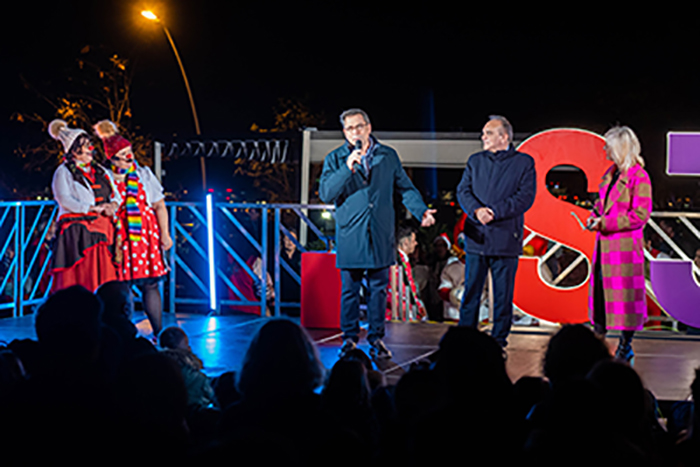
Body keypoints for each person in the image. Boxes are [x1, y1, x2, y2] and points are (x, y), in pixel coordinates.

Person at [319, 109, 436, 359]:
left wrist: (421, 212)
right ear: (344, 133)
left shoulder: (388, 155)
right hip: (351, 234)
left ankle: (376, 339)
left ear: (369, 127)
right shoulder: (336, 158)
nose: (355, 133)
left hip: (380, 233)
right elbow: (326, 193)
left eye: (359, 127)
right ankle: (349, 339)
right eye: (350, 129)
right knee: (350, 291)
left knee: (378, 290)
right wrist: (347, 168)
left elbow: (405, 187)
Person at [456, 115, 536, 348]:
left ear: (504, 136)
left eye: (488, 133)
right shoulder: (475, 161)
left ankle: (499, 340)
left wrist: (494, 211)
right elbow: (463, 191)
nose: (483, 137)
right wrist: (476, 210)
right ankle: (464, 338)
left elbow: (525, 197)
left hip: (504, 238)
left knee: (503, 295)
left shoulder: (524, 162)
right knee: (471, 290)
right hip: (476, 237)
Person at [94, 120, 173, 337]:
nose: (130, 157)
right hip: (119, 235)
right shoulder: (105, 176)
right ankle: (123, 333)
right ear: (112, 157)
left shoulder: (144, 174)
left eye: (130, 152)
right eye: (124, 153)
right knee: (122, 287)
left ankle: (158, 332)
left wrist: (165, 233)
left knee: (150, 284)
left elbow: (159, 204)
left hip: (145, 235)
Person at [587, 125, 651, 363]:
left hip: (623, 249)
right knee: (601, 295)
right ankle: (598, 343)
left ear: (620, 147)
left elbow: (640, 215)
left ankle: (625, 345)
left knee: (627, 302)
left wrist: (605, 223)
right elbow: (601, 205)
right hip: (605, 247)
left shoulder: (639, 177)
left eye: (608, 146)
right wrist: (594, 216)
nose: (604, 150)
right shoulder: (610, 174)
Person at [48, 119, 120, 292]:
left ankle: (105, 304)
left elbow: (115, 194)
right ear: (73, 149)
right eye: (85, 145)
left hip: (102, 225)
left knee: (106, 268)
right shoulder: (63, 171)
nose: (90, 149)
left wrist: (113, 205)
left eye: (90, 144)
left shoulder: (101, 171)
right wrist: (89, 209)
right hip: (77, 227)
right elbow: (63, 199)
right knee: (81, 271)